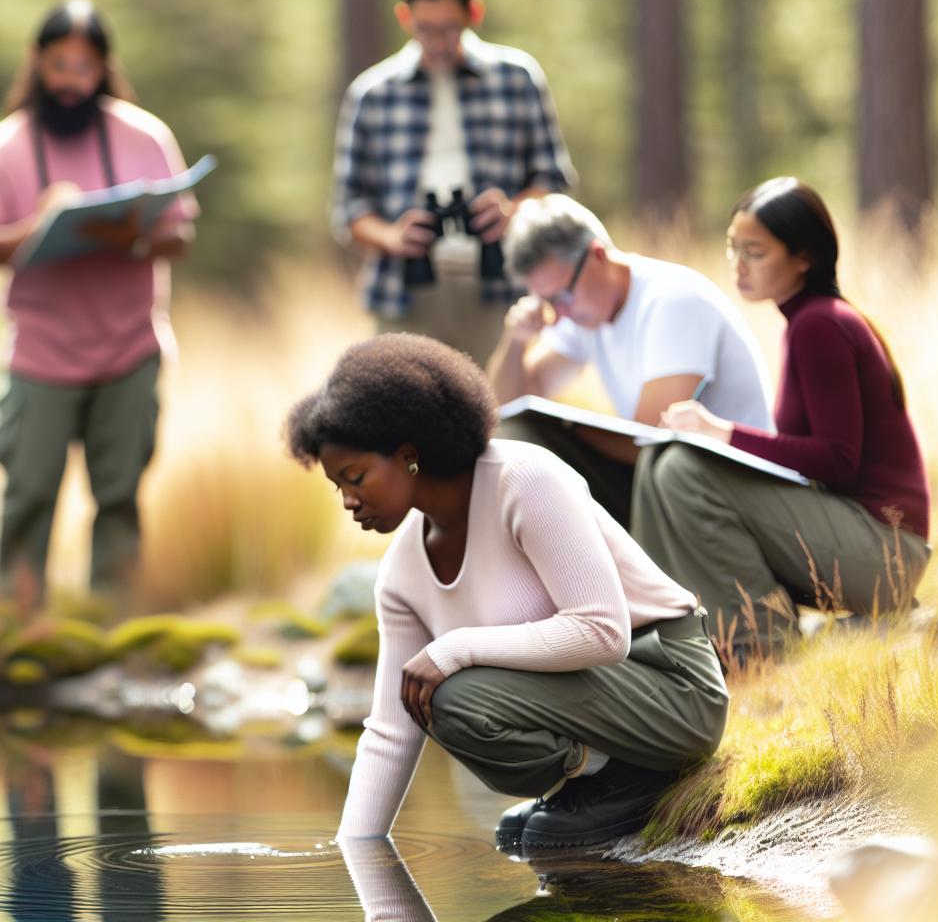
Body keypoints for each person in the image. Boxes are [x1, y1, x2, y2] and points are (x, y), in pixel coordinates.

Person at [286, 335, 726, 851]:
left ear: (408, 456)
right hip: (602, 699)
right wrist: (356, 850)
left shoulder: (523, 480)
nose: (347, 501)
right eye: (337, 485)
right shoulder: (401, 571)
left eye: (355, 477)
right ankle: (602, 775)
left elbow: (604, 632)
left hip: (673, 685)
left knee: (453, 693)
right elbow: (390, 729)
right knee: (434, 711)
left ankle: (636, 775)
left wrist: (456, 647)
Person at [631, 179, 931, 660]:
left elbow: (836, 461)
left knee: (683, 469)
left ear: (803, 258)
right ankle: (678, 629)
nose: (739, 265)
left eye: (756, 251)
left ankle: (761, 642)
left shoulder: (821, 325)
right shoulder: (809, 322)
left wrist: (721, 432)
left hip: (886, 552)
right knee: (661, 461)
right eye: (733, 249)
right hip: (860, 540)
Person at [0, 0, 198, 607]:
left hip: (129, 349)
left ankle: (111, 623)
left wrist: (135, 235)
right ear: (37, 64)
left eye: (84, 66)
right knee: (29, 494)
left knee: (118, 497)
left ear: (104, 69)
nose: (71, 80)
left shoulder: (145, 136)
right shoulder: (3, 149)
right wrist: (40, 224)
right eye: (59, 64)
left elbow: (179, 232)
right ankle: (17, 620)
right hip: (41, 356)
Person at [331, 0, 577, 366]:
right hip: (403, 289)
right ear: (404, 17)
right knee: (400, 414)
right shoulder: (373, 94)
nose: (439, 41)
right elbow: (348, 208)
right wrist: (393, 237)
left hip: (499, 284)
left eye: (449, 28)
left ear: (474, 14)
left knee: (501, 409)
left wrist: (513, 212)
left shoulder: (517, 78)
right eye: (425, 29)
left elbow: (552, 178)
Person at [488, 194, 772, 527]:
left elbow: (649, 440)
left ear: (596, 255)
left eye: (562, 295)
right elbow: (506, 408)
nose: (559, 312)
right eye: (546, 300)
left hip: (729, 489)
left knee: (535, 444)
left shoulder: (671, 301)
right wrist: (516, 340)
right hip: (671, 482)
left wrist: (562, 431)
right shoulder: (586, 311)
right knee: (517, 436)